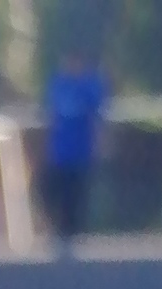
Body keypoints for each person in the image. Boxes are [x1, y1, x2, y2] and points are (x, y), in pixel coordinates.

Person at [42, 53, 108, 249]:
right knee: (56, 190)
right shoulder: (58, 85)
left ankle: (75, 230)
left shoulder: (90, 87)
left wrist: (100, 143)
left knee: (77, 191)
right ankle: (60, 228)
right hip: (60, 151)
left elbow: (98, 118)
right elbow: (51, 115)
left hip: (81, 151)